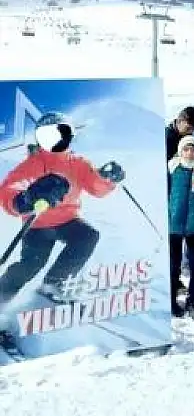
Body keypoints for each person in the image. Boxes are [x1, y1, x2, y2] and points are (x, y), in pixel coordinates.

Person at [0, 113, 125, 305]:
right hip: (38, 224)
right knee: (32, 265)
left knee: (88, 236)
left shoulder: (78, 163)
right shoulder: (32, 164)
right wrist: (24, 200)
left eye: (62, 133)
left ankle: (54, 284)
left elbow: (95, 187)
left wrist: (107, 179)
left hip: (68, 219)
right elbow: (10, 188)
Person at [167, 135, 194, 320]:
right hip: (173, 225)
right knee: (173, 266)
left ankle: (193, 301)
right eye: (186, 149)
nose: (190, 153)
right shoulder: (171, 169)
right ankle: (172, 301)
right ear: (180, 151)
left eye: (193, 149)